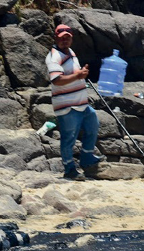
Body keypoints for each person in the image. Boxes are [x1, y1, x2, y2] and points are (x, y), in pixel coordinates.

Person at [44, 24, 100, 181]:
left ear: (71, 38)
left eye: (67, 38)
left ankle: (87, 158)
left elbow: (72, 73)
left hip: (81, 103)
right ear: (56, 38)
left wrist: (81, 73)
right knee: (69, 137)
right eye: (62, 38)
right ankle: (69, 169)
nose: (65, 40)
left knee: (93, 124)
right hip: (67, 105)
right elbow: (57, 80)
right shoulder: (53, 57)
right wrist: (78, 76)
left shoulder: (71, 53)